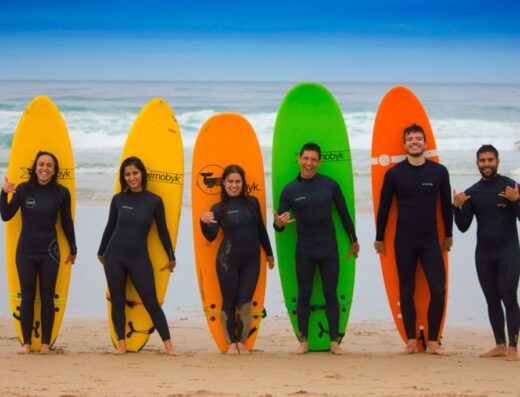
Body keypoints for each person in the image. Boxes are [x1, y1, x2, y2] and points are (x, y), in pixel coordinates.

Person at [273, 142, 359, 355]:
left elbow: (344, 214)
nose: (309, 163)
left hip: (329, 248)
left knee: (331, 293)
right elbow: (279, 225)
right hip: (304, 250)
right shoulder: (290, 190)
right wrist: (279, 224)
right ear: (299, 159)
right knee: (304, 294)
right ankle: (303, 341)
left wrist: (354, 240)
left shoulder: (330, 185)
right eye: (305, 158)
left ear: (319, 162)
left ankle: (334, 342)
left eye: (313, 159)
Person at [374, 124, 453, 355]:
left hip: (430, 241)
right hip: (404, 241)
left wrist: (448, 234)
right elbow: (384, 208)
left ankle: (433, 342)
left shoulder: (439, 172)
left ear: (425, 143)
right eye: (410, 139)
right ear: (404, 144)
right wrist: (379, 238)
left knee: (438, 289)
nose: (415, 142)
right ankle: (410, 341)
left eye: (419, 138)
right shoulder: (394, 174)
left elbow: (445, 206)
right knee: (406, 290)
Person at [97, 156, 176, 355]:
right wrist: (101, 251)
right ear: (123, 178)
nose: (132, 178)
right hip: (114, 256)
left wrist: (171, 256)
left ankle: (169, 345)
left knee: (151, 301)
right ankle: (121, 344)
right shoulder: (118, 199)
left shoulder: (154, 201)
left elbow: (163, 231)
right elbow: (110, 226)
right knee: (117, 299)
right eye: (128, 174)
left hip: (139, 258)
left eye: (135, 173)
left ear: (142, 174)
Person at [1, 151, 77, 354]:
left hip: (50, 252)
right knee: (27, 298)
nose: (45, 168)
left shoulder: (61, 193)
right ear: (35, 167)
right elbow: (6, 215)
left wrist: (73, 248)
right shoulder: (24, 189)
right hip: (25, 251)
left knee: (47, 298)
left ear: (54, 170)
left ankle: (45, 345)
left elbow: (67, 222)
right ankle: (26, 344)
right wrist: (3, 193)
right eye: (41, 164)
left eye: (49, 165)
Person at [453, 144, 520, 361]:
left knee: (508, 294)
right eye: (483, 161)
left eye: (490, 160)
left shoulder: (512, 187)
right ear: (477, 164)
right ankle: (499, 345)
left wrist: (516, 201)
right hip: (483, 253)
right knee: (492, 299)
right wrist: (456, 207)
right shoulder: (473, 192)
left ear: (498, 161)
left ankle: (512, 347)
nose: (487, 164)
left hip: (509, 250)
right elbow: (463, 227)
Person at [200, 164, 275, 354]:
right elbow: (211, 236)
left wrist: (269, 253)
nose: (234, 185)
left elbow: (260, 230)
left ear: (243, 183)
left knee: (245, 301)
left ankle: (241, 341)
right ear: (224, 183)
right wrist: (203, 223)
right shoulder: (218, 208)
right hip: (227, 261)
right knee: (229, 300)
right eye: (230, 181)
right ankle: (230, 342)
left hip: (252, 261)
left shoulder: (253, 202)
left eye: (238, 181)